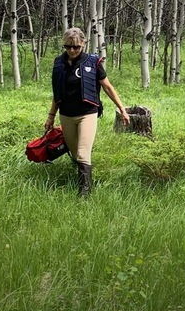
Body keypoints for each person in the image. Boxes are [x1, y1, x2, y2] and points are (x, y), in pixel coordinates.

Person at [45, 28, 130, 196]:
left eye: (76, 47)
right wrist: (51, 116)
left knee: (83, 153)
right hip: (66, 114)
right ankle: (78, 173)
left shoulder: (92, 62)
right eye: (68, 46)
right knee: (76, 152)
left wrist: (122, 109)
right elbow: (57, 93)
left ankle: (84, 193)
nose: (72, 50)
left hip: (87, 113)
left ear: (83, 44)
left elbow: (107, 87)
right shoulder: (59, 63)